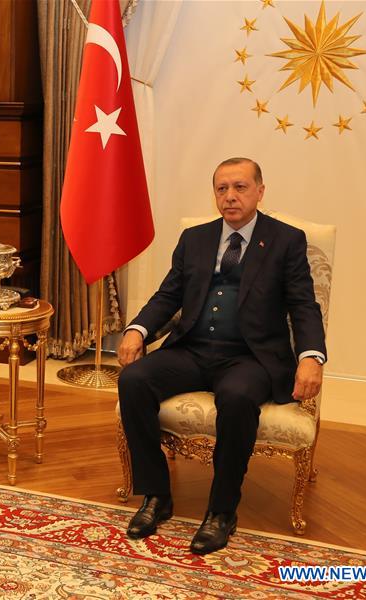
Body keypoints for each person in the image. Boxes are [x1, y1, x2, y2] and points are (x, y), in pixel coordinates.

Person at [117, 157, 325, 554]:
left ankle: (222, 510)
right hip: (193, 349)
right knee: (134, 379)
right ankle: (156, 495)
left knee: (238, 396)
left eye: (240, 187)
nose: (230, 196)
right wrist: (137, 329)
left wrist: (312, 356)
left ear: (260, 191)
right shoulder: (194, 238)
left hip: (250, 357)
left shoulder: (286, 240)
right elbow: (168, 295)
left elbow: (304, 306)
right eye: (222, 188)